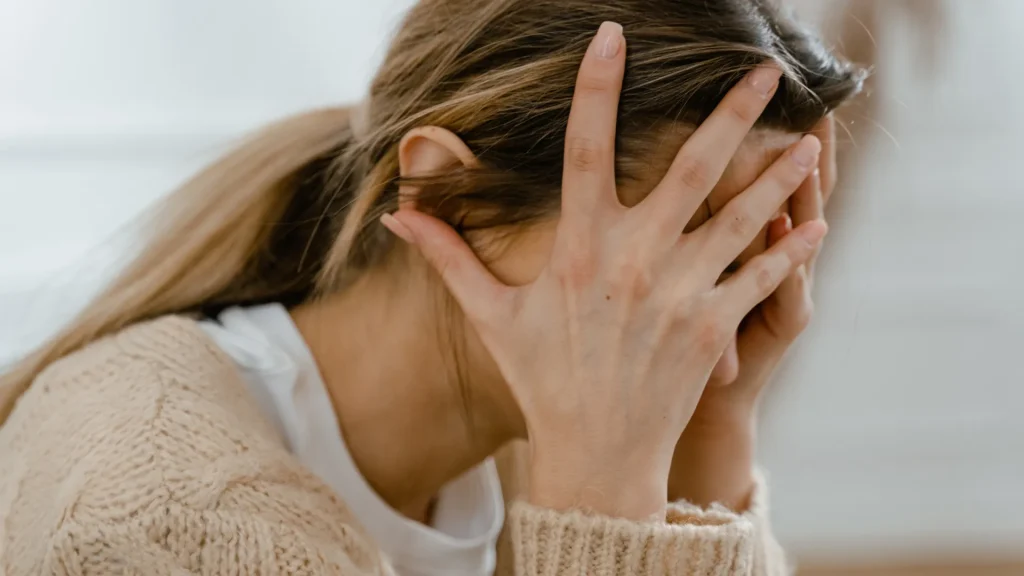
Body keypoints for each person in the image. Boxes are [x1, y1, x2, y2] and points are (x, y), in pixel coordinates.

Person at [0, 1, 864, 574]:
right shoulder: (157, 518)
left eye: (752, 247)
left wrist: (710, 438)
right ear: (450, 197)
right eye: (679, 245)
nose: (710, 313)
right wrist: (600, 511)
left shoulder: (528, 451)